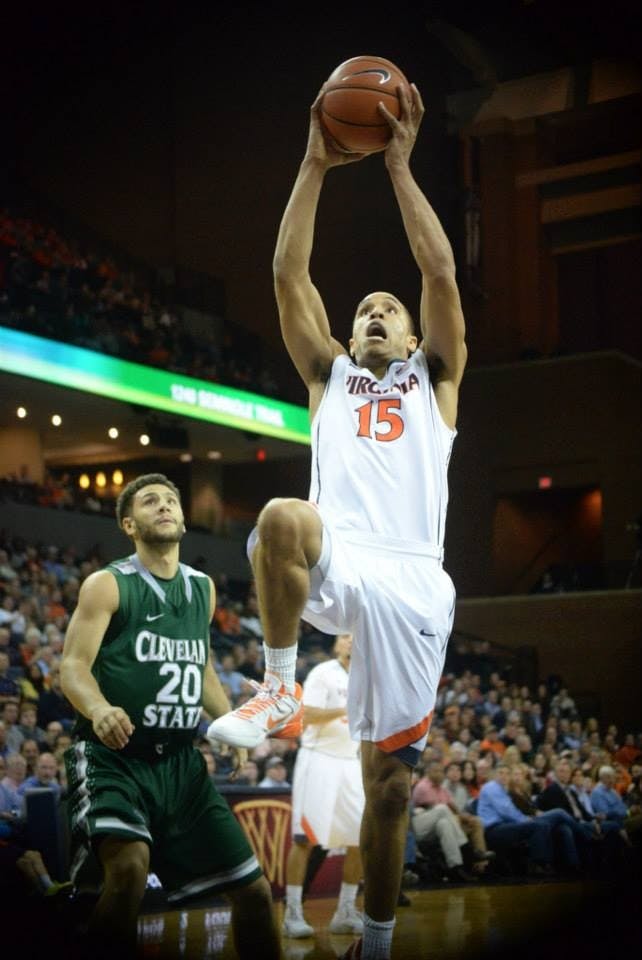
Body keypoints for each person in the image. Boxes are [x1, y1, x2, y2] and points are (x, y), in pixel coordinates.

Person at [208, 75, 467, 960]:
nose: (373, 313)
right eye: (364, 309)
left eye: (386, 310)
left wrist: (398, 167)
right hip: (341, 552)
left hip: (412, 574)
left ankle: (379, 941)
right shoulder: (327, 376)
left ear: (410, 334)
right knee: (283, 514)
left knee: (389, 787)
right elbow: (288, 272)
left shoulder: (436, 381)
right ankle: (279, 682)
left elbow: (438, 269)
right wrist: (315, 164)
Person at [60, 473, 280, 960]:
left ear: (183, 518)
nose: (164, 506)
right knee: (130, 873)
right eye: (149, 501)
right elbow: (71, 667)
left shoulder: (202, 588)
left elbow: (198, 665)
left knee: (255, 893)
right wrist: (98, 709)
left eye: (171, 500)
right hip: (113, 757)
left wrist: (230, 725)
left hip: (181, 765)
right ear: (128, 524)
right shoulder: (108, 584)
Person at [282, 633, 365, 939]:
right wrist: (346, 710)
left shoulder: (367, 678)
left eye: (354, 636)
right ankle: (291, 913)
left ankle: (344, 911)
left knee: (358, 840)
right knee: (305, 840)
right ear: (337, 643)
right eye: (345, 636)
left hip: (350, 761)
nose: (350, 641)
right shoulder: (323, 673)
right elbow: (307, 715)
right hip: (318, 759)